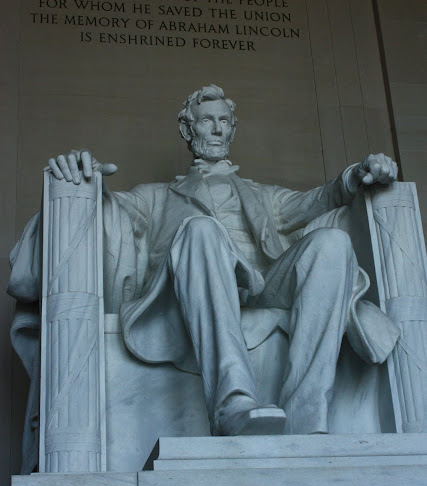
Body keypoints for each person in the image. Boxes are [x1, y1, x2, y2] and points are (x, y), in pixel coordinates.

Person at [11, 85, 400, 449]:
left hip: (262, 285)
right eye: (207, 120)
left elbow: (320, 199)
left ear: (233, 129)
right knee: (201, 229)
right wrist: (83, 177)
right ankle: (233, 403)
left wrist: (355, 175)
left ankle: (307, 413)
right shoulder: (156, 197)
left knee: (333, 243)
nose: (216, 129)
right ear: (187, 129)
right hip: (193, 289)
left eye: (224, 121)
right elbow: (106, 211)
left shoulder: (263, 196)